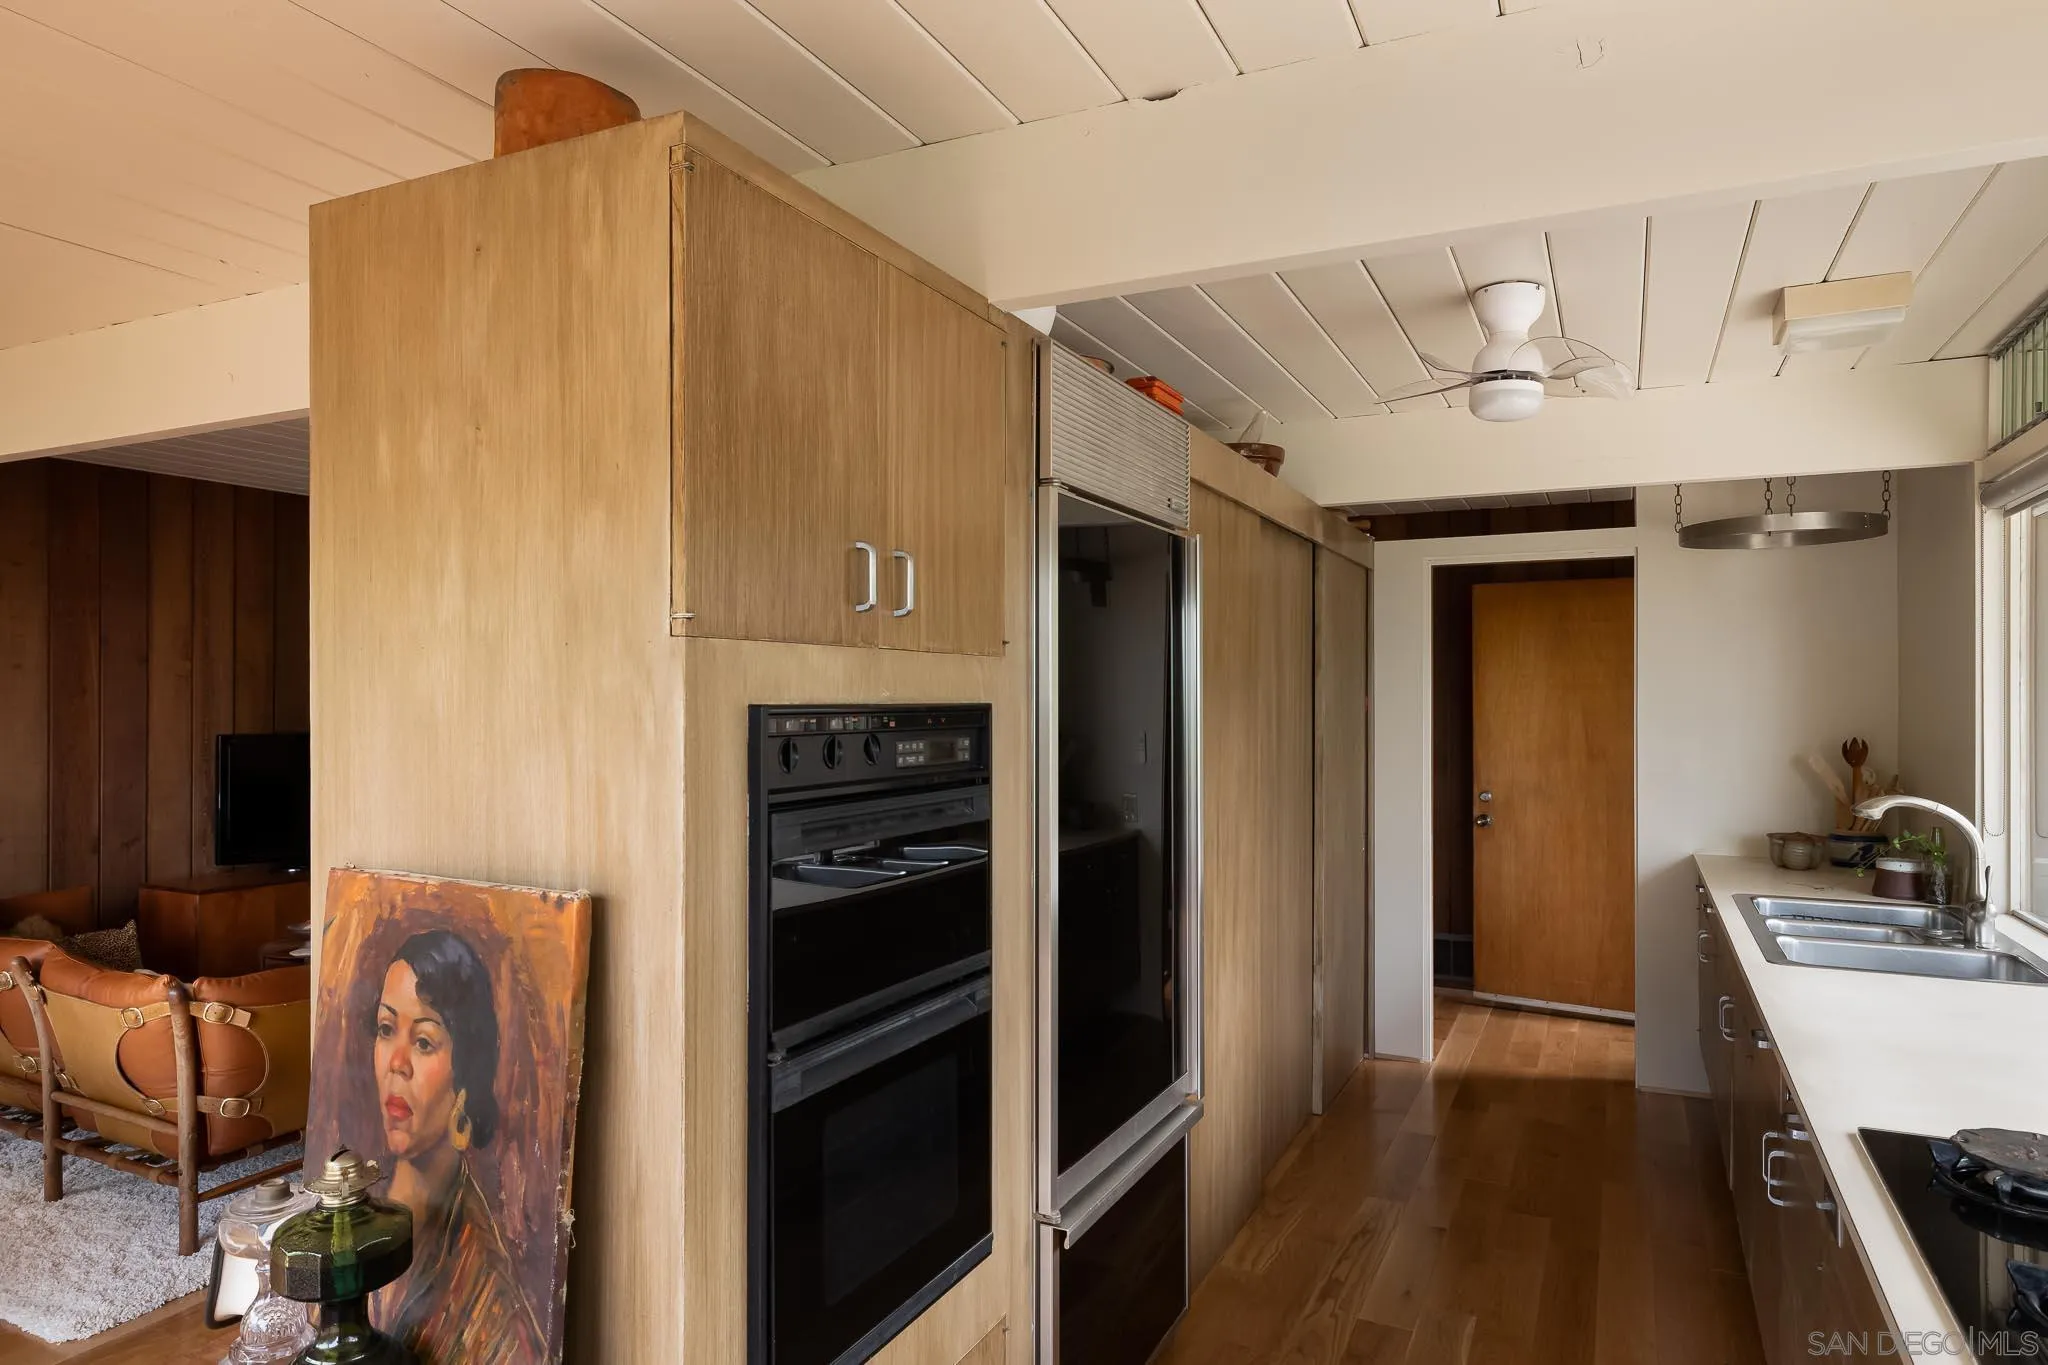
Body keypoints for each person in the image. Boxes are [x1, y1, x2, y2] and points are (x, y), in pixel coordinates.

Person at [369, 929, 546, 1362]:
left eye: (424, 1041)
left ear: (464, 1079)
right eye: (386, 1028)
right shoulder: (352, 1208)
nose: (396, 1062)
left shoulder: (491, 1299)